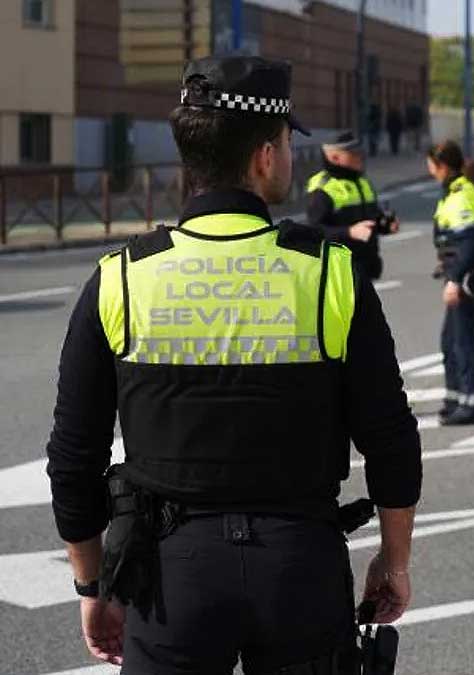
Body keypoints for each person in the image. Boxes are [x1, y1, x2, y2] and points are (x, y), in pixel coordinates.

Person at [44, 55, 422, 673]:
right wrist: (393, 560)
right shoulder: (329, 272)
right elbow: (390, 437)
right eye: (287, 143)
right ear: (265, 155)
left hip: (170, 578)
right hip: (301, 566)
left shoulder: (121, 279)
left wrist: (93, 588)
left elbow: (72, 456)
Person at [428, 140, 474, 426]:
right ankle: (455, 398)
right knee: (451, 340)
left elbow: (470, 242)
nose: (430, 171)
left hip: (467, 277)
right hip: (460, 273)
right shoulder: (455, 192)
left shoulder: (461, 195)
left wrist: (455, 280)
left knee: (464, 340)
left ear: (441, 166)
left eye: (431, 166)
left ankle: (471, 405)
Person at [306, 131, 398, 281]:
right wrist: (349, 232)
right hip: (338, 272)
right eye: (352, 153)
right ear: (334, 157)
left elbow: (371, 219)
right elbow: (314, 231)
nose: (360, 156)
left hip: (366, 267)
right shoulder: (323, 187)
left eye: (360, 152)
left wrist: (385, 224)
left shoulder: (362, 182)